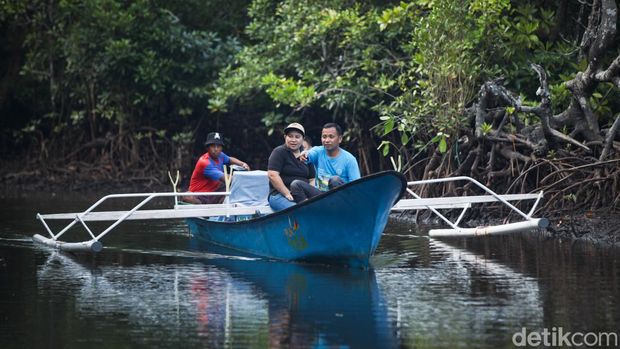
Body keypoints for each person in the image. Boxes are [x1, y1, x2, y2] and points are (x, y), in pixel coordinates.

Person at [185, 132, 250, 204]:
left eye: (218, 146)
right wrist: (246, 179)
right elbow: (227, 179)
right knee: (188, 196)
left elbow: (229, 159)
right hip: (200, 195)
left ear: (221, 148)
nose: (216, 149)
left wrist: (242, 164)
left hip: (214, 192)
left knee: (231, 189)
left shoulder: (220, 155)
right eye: (213, 146)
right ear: (207, 148)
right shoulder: (204, 162)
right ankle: (205, 210)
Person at [267, 123, 320, 211]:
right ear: (285, 137)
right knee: (298, 211)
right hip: (280, 194)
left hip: (302, 194)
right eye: (290, 136)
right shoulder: (279, 152)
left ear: (302, 139)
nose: (293, 140)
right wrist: (287, 193)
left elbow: (312, 179)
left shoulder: (306, 154)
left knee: (320, 206)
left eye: (297, 137)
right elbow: (272, 175)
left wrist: (310, 194)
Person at [301, 123, 360, 191]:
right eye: (324, 137)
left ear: (340, 139)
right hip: (320, 195)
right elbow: (309, 154)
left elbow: (356, 186)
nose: (327, 140)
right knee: (297, 184)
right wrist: (304, 154)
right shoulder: (318, 151)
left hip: (342, 197)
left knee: (335, 180)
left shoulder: (350, 159)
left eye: (331, 137)